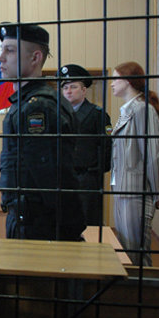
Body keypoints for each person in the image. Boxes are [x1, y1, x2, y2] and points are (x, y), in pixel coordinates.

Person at [0, 23, 85, 240]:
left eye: (10, 50)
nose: (1, 58)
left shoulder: (38, 107)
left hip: (38, 223)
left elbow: (50, 175)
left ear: (35, 58)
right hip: (30, 217)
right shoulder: (31, 101)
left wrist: (68, 229)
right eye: (2, 50)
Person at [111, 61, 159, 266]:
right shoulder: (128, 110)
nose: (112, 83)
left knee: (136, 252)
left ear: (128, 81)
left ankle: (141, 286)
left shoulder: (142, 110)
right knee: (127, 249)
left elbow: (152, 154)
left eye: (115, 79)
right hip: (122, 188)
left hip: (136, 190)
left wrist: (158, 193)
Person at [58, 64, 112, 226]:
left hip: (87, 178)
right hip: (62, 177)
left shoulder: (97, 114)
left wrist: (94, 172)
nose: (68, 91)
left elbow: (107, 147)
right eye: (65, 87)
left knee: (88, 222)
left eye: (73, 87)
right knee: (64, 222)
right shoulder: (58, 114)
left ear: (84, 90)